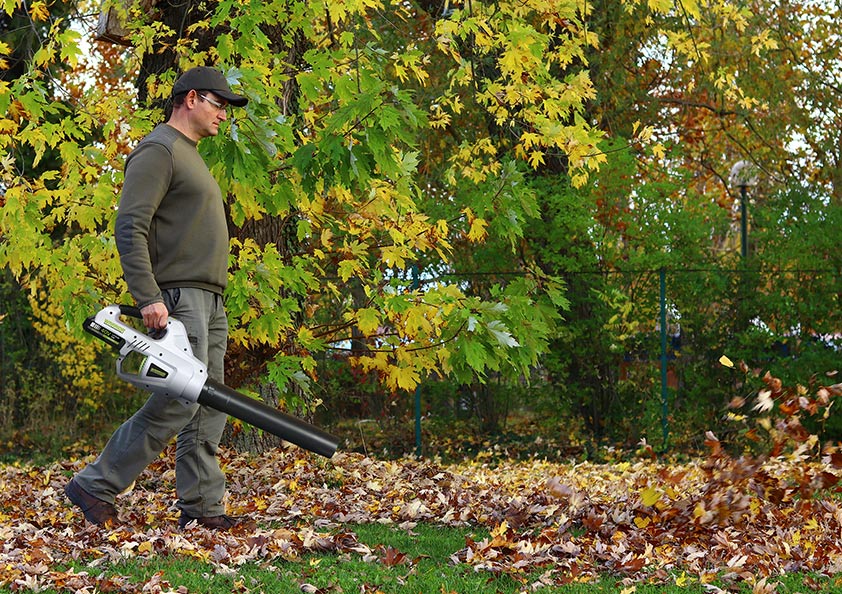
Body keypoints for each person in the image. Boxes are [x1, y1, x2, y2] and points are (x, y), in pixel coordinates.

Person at [65, 66, 248, 530]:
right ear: (190, 98)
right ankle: (96, 483)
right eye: (217, 103)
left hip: (209, 299)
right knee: (178, 401)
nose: (222, 114)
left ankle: (203, 510)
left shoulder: (191, 154)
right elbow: (130, 226)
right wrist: (148, 296)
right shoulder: (158, 150)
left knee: (209, 405)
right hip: (177, 298)